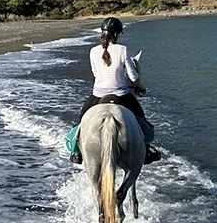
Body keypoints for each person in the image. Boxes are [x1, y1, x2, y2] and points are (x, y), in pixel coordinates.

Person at [69, 16, 161, 165]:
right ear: (117, 34)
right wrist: (140, 86)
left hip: (98, 95)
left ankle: (76, 152)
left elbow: (95, 73)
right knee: (143, 122)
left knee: (80, 122)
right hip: (122, 95)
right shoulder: (122, 50)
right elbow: (132, 75)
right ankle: (147, 151)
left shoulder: (93, 51)